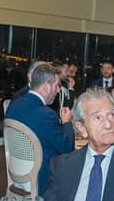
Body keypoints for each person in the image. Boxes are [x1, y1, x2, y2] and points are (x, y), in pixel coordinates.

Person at [5, 63, 74, 193]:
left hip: (17, 173)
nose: (58, 90)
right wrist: (67, 123)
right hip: (41, 178)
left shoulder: (14, 105)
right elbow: (67, 148)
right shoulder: (45, 114)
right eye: (57, 86)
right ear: (47, 87)